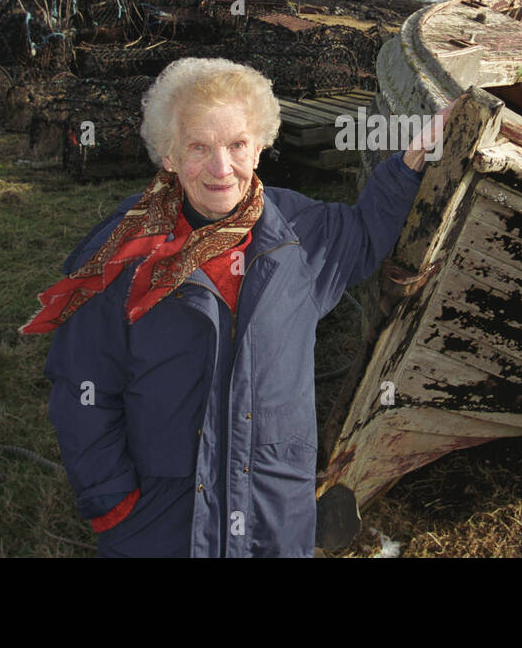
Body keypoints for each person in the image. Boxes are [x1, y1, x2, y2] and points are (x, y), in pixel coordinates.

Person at [22, 57, 448, 557]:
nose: (222, 168)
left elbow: (365, 232)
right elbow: (82, 390)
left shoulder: (300, 236)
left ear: (261, 146)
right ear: (168, 156)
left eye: (236, 145)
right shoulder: (120, 258)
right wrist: (113, 503)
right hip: (163, 522)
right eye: (198, 147)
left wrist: (415, 156)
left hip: (274, 513)